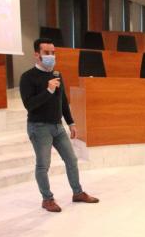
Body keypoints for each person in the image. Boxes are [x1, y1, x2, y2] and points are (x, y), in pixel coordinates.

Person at [19, 38, 98, 212]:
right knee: (43, 165)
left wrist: (71, 122)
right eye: (47, 53)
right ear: (37, 54)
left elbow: (62, 101)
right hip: (39, 127)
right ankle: (47, 199)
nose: (51, 56)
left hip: (57, 126)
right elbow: (29, 105)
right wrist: (48, 90)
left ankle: (77, 192)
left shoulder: (56, 74)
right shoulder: (27, 77)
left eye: (53, 53)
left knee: (71, 159)